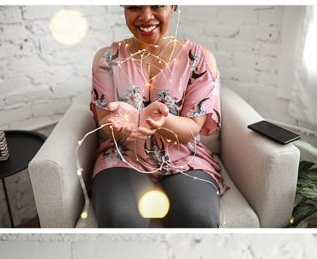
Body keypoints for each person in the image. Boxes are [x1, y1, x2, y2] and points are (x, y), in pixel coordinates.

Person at [89, 4, 224, 228]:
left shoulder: (199, 58)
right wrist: (124, 124)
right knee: (119, 220)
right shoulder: (107, 58)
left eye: (157, 5)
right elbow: (104, 123)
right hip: (123, 159)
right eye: (134, 7)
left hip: (185, 159)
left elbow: (192, 127)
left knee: (199, 218)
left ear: (173, 6)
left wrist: (161, 121)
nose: (146, 16)